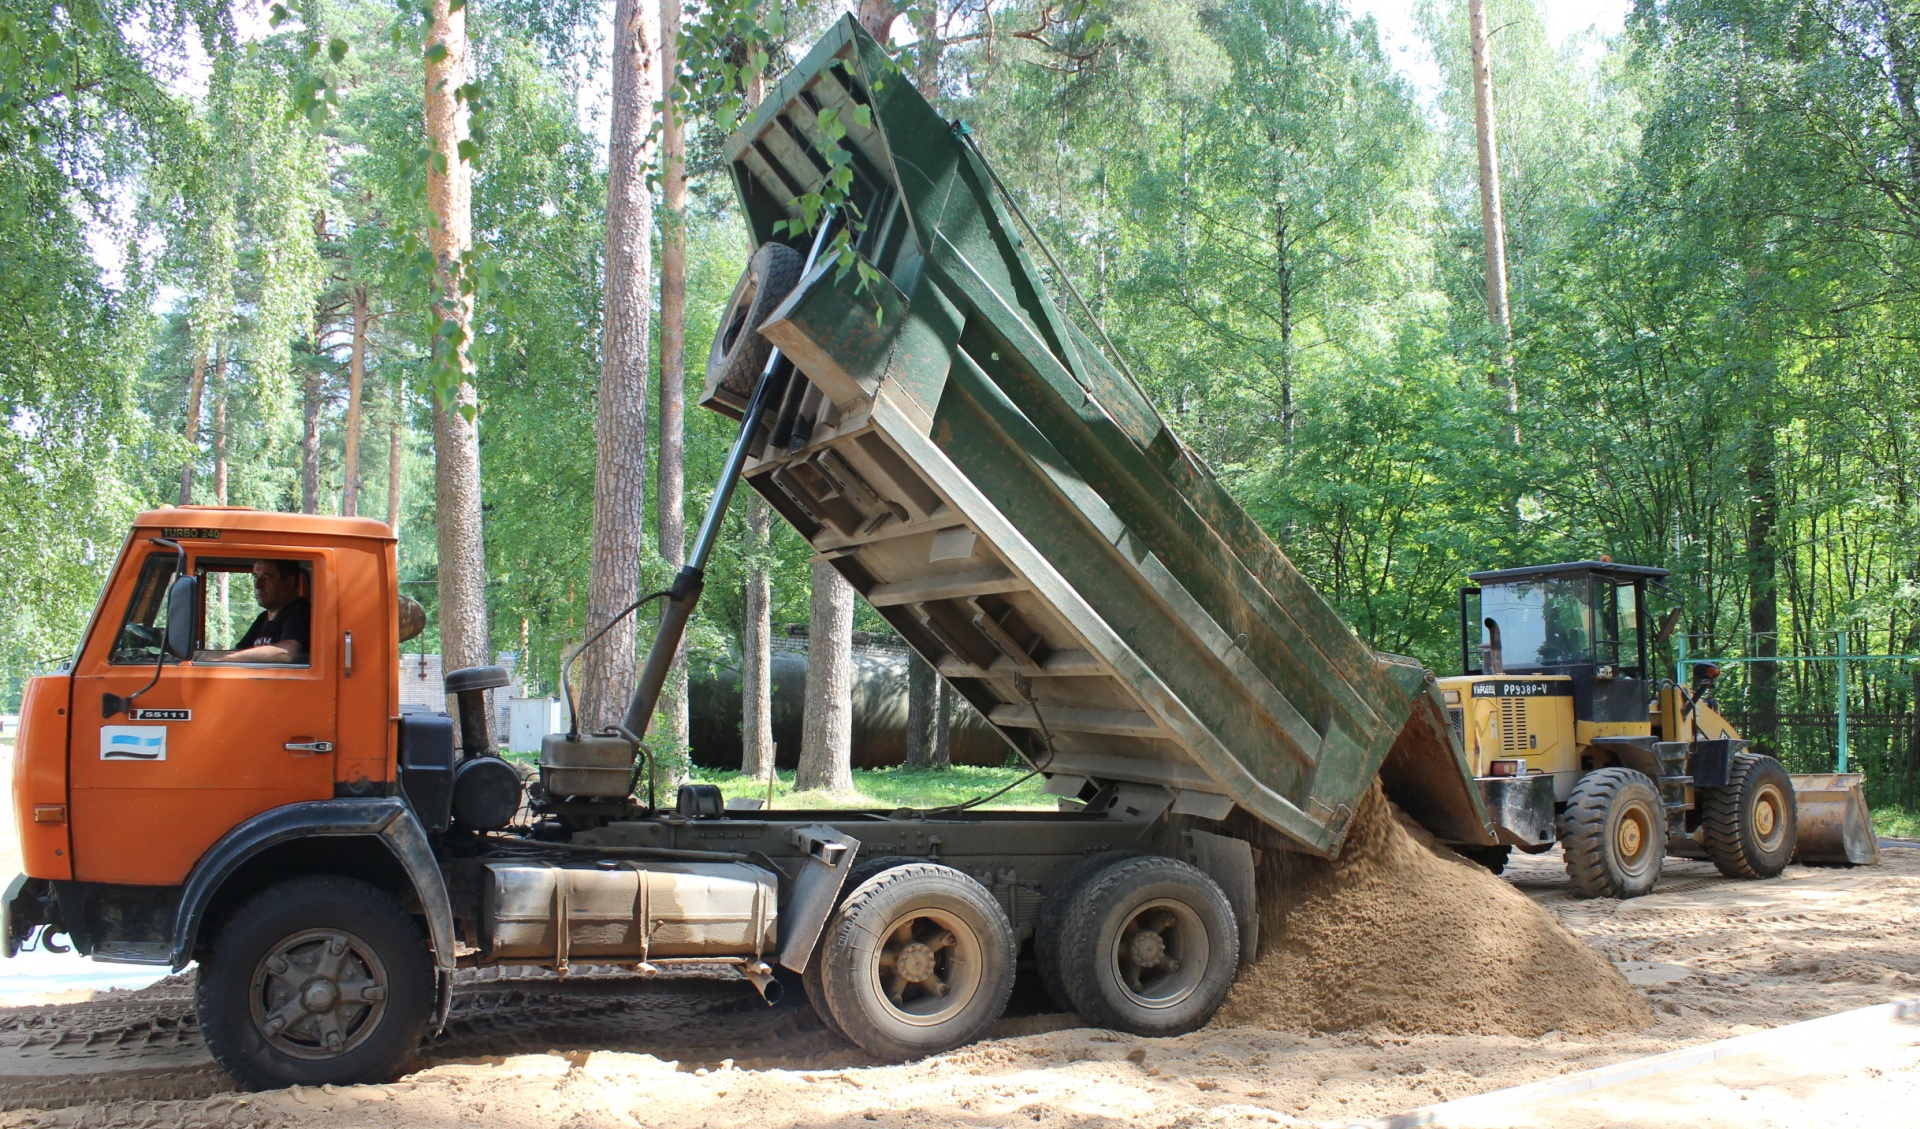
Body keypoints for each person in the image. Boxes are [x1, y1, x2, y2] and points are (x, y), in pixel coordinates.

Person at [227, 559, 311, 663]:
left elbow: (287, 652)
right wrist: (212, 660)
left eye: (267, 577)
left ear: (290, 582)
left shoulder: (301, 613)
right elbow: (240, 650)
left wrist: (229, 658)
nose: (258, 585)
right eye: (255, 577)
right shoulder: (262, 618)